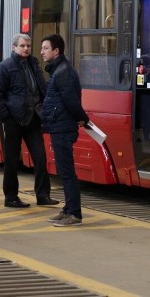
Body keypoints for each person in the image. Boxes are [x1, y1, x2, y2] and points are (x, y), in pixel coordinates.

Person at [0, 33, 59, 208]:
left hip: (34, 119)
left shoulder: (34, 65)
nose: (26, 48)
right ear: (14, 47)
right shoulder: (5, 67)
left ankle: (43, 196)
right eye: (22, 46)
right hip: (14, 121)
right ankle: (11, 197)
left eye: (28, 45)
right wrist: (6, 117)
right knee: (12, 161)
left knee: (40, 158)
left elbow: (42, 89)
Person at [40, 34, 89, 227]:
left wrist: (83, 119)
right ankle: (68, 209)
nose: (42, 51)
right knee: (64, 170)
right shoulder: (59, 70)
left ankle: (74, 213)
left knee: (67, 172)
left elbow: (71, 101)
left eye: (45, 48)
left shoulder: (63, 72)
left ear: (56, 51)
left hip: (62, 127)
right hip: (58, 125)